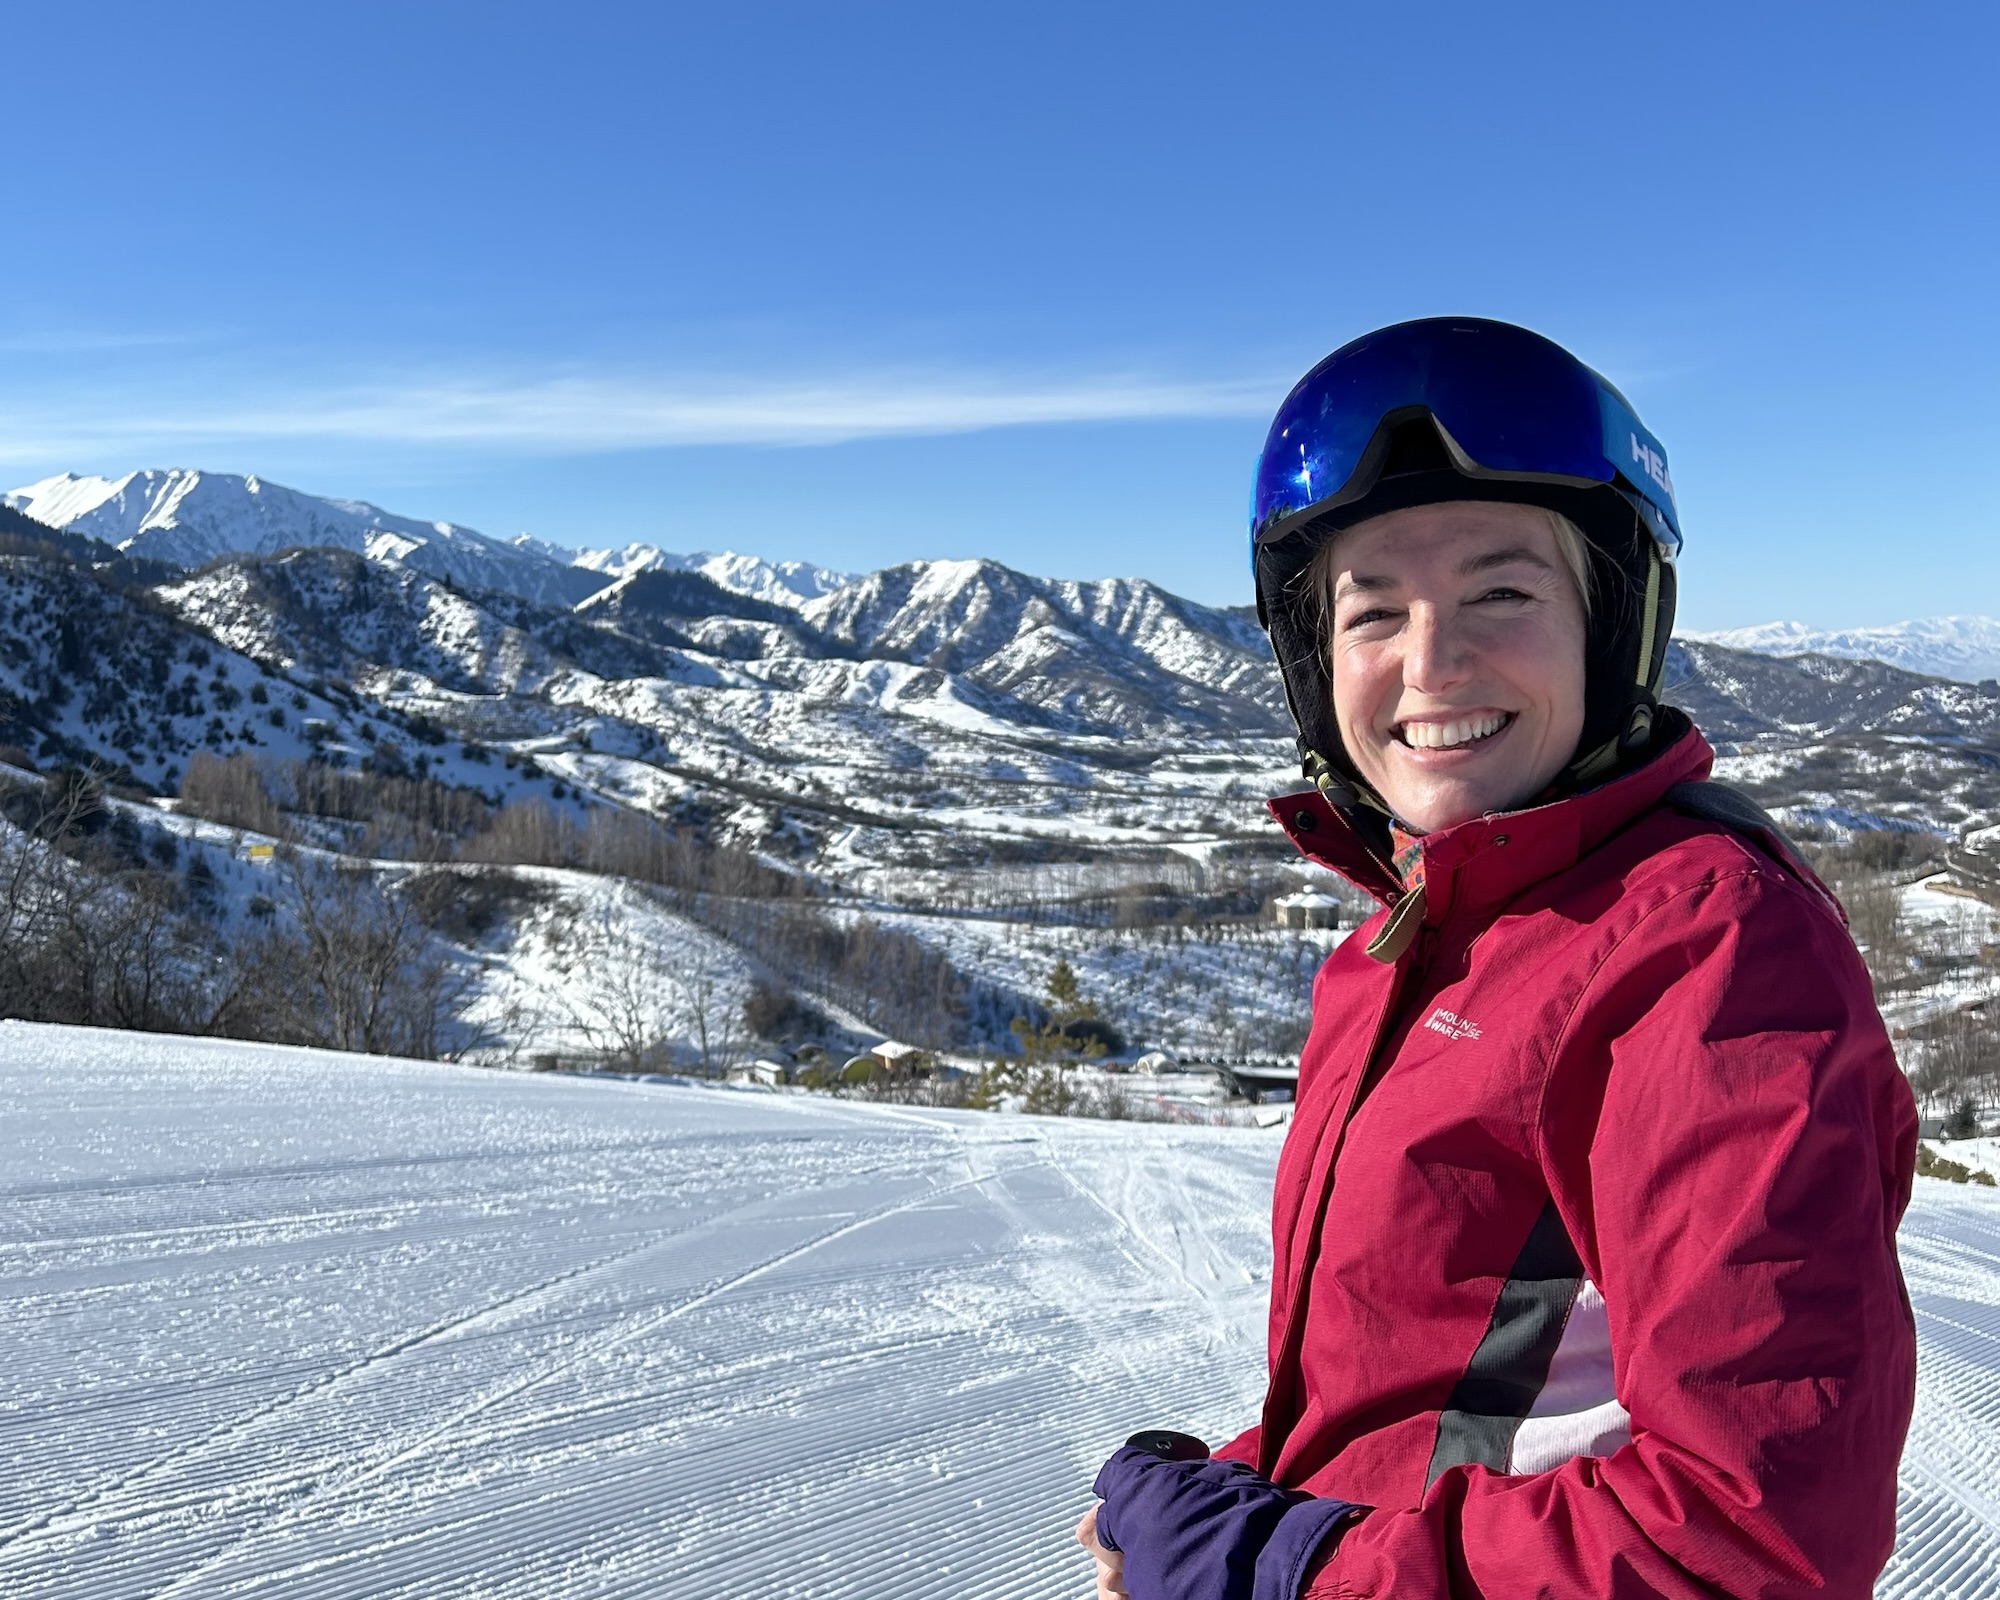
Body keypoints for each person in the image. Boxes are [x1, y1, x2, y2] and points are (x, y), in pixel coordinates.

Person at [1076, 318, 1917, 1600]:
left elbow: (1753, 1540)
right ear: (1316, 662)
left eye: (1500, 592)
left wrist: (1274, 1570)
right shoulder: (1411, 937)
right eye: (1372, 610)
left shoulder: (1707, 950)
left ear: (1609, 622)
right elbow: (1449, 1385)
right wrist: (1244, 1490)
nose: (1430, 661)